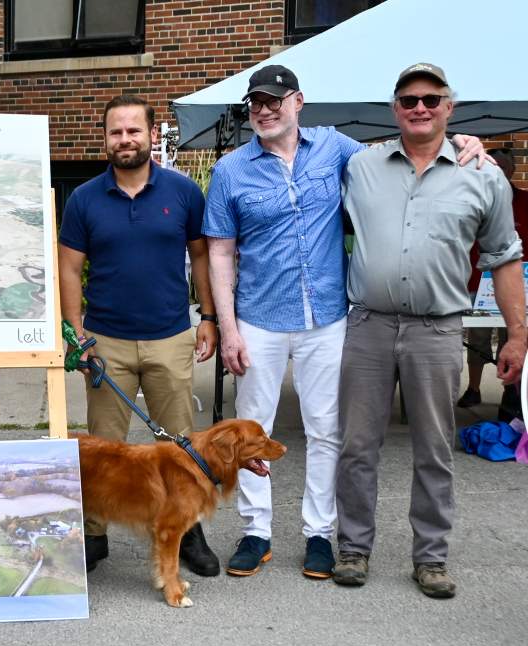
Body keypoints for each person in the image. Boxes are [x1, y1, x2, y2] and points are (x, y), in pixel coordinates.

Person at [204, 65, 486, 581]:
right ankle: (256, 530)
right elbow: (220, 253)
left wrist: (464, 141)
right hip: (259, 318)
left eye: (275, 100)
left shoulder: (336, 149)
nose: (264, 110)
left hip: (328, 317)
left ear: (298, 103)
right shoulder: (230, 171)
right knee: (250, 430)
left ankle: (318, 533)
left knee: (326, 430)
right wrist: (228, 327)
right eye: (256, 103)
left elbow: (402, 159)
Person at [333, 63, 525, 599]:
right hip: (368, 326)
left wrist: (517, 334)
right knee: (356, 447)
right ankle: (353, 547)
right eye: (409, 99)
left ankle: (432, 558)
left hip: (438, 330)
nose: (420, 107)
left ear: (449, 107)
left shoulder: (483, 174)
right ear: (394, 108)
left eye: (432, 100)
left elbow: (505, 258)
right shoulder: (360, 165)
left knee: (434, 449)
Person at [58, 94, 220, 576]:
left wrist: (207, 316)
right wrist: (75, 331)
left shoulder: (184, 192)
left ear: (153, 134)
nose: (124, 139)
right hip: (105, 342)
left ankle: (188, 534)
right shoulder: (85, 198)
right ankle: (93, 536)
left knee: (182, 448)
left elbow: (202, 257)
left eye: (133, 130)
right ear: (104, 138)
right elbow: (69, 267)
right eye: (115, 132)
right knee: (102, 451)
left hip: (170, 337)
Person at [456, 147, 528, 407]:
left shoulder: (524, 201)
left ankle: (511, 392)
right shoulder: (473, 198)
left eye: (504, 167)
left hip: (517, 283)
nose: (499, 171)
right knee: (477, 339)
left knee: (513, 338)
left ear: (513, 170)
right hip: (477, 284)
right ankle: (474, 388)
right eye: (494, 165)